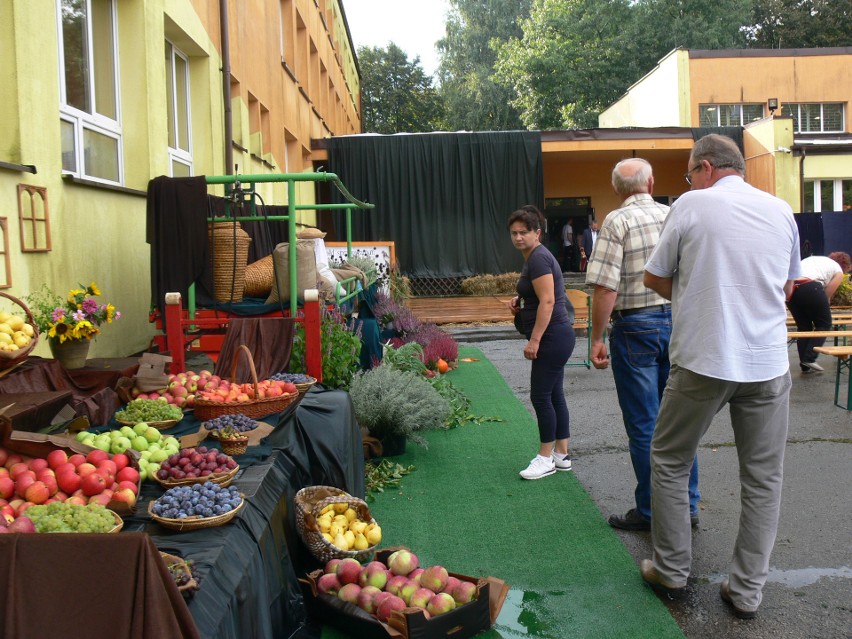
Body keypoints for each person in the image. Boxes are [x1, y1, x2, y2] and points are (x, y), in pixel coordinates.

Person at [641, 134, 800, 620]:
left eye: (691, 173)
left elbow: (654, 276)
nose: (690, 182)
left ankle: (671, 569)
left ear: (705, 168)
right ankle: (747, 590)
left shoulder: (691, 204)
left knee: (669, 459)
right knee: (763, 479)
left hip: (703, 358)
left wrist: (695, 294)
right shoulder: (781, 211)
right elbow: (789, 286)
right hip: (768, 362)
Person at [585, 158, 700, 531]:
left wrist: (597, 337)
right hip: (679, 322)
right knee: (681, 422)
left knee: (644, 423)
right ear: (651, 182)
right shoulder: (675, 214)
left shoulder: (616, 222)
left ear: (617, 189)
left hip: (635, 327)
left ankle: (652, 512)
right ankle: (688, 505)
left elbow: (605, 286)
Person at [507, 206, 576, 480]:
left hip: (551, 336)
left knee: (541, 396)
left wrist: (534, 340)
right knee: (554, 394)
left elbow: (549, 301)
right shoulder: (534, 257)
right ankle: (561, 455)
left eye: (524, 232)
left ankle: (545, 458)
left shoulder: (538, 259)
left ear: (537, 232)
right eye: (514, 233)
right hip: (557, 335)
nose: (518, 237)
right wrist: (521, 302)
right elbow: (540, 296)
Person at [787, 252, 850, 373]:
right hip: (810, 287)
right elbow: (827, 294)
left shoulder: (815, 260)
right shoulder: (838, 270)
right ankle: (809, 358)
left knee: (804, 327)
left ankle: (805, 364)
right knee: (824, 324)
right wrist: (821, 306)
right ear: (844, 265)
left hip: (791, 288)